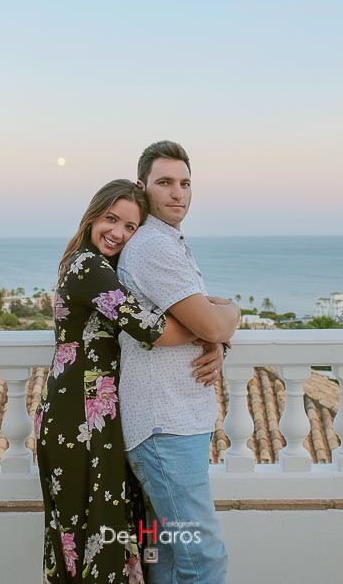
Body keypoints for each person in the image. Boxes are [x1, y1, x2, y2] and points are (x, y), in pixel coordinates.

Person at [36, 179, 204, 583]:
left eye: (130, 227)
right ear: (93, 215)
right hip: (78, 418)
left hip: (98, 412)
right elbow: (152, 328)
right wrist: (213, 327)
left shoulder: (105, 267)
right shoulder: (89, 267)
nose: (118, 233)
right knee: (93, 530)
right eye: (111, 219)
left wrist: (206, 319)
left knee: (105, 527)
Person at [119, 141, 239, 584]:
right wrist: (231, 319)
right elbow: (209, 318)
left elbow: (200, 324)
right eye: (165, 182)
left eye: (185, 183)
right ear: (143, 187)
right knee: (203, 557)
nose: (178, 193)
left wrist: (217, 340)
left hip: (172, 424)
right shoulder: (153, 246)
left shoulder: (166, 243)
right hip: (164, 428)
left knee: (167, 559)